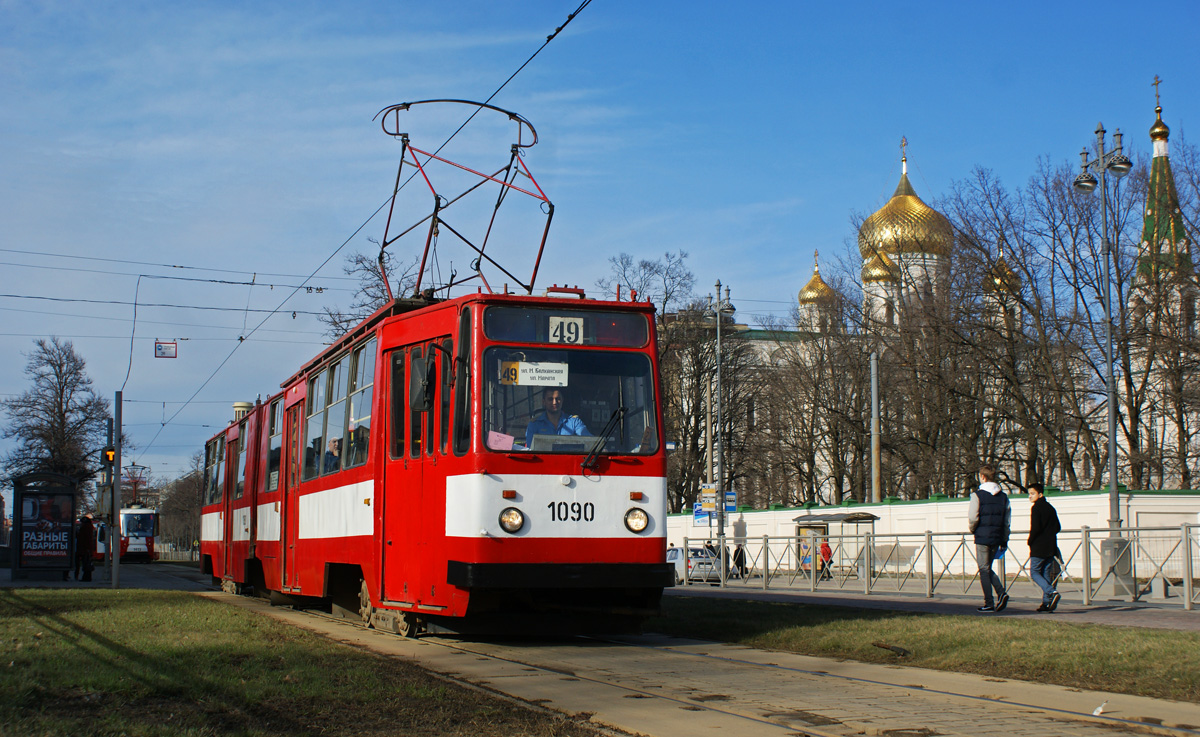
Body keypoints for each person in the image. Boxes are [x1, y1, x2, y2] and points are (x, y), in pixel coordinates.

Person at [967, 464, 1011, 613]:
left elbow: (973, 517)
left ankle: (991, 601)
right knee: (987, 568)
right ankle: (1000, 594)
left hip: (982, 536)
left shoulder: (977, 495)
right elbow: (1007, 521)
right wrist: (1004, 538)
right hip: (997, 536)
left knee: (983, 569)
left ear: (983, 477)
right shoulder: (1004, 497)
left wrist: (973, 529)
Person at [1027, 482, 1062, 613]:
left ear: (1040, 494)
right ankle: (1046, 603)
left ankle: (1051, 592)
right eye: (1029, 494)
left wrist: (1030, 540)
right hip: (1051, 546)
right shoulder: (1050, 508)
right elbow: (1058, 527)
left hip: (1039, 546)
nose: (1030, 496)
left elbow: (1035, 527)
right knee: (1046, 573)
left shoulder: (1036, 508)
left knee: (1035, 572)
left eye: (1032, 493)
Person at [524, 388, 591, 447]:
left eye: (558, 399)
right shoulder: (534, 424)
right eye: (550, 399)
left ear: (562, 400)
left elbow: (590, 442)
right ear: (544, 402)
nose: (554, 402)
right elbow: (530, 451)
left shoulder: (574, 422)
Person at [75, 514, 96, 582]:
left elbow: (82, 539)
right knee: (87, 563)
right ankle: (86, 577)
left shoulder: (84, 529)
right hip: (87, 549)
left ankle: (85, 577)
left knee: (85, 564)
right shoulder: (90, 528)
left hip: (84, 549)